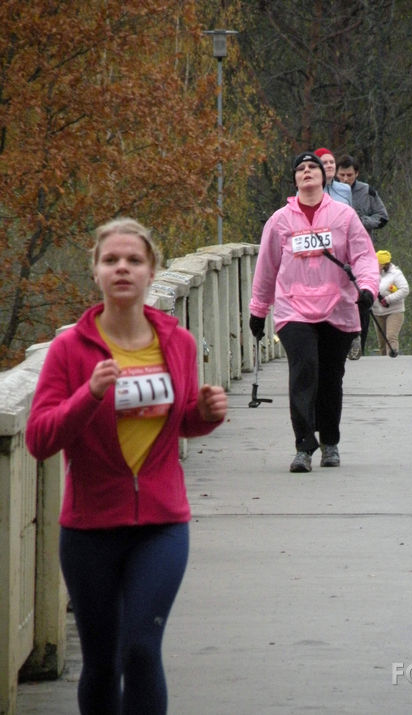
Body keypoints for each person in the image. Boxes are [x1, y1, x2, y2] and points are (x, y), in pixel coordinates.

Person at [25, 217, 227, 714]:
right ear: (95, 270)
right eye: (110, 260)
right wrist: (89, 394)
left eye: (133, 260)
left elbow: (177, 424)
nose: (122, 268)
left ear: (151, 271)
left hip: (160, 525)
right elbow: (39, 439)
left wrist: (203, 415)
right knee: (101, 663)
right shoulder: (71, 350)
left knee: (140, 650)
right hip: (91, 528)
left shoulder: (175, 343)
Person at [249, 152, 379, 473]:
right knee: (303, 372)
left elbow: (363, 256)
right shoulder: (279, 221)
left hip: (337, 307)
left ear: (324, 177)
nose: (306, 172)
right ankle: (304, 446)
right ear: (295, 180)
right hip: (294, 308)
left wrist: (367, 289)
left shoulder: (344, 216)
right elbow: (267, 267)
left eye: (312, 168)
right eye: (300, 169)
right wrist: (258, 309)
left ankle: (331, 442)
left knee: (331, 379)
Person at [336, 154, 389, 360]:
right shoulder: (327, 190)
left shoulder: (367, 191)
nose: (345, 179)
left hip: (361, 252)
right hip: (337, 254)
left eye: (349, 175)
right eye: (342, 175)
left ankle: (360, 346)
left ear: (356, 174)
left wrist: (362, 221)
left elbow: (383, 217)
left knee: (363, 297)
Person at [371, 250, 410, 356]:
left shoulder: (395, 273)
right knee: (382, 343)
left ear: (384, 265)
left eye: (377, 264)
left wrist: (388, 299)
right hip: (377, 312)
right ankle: (384, 366)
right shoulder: (371, 273)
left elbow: (405, 290)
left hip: (394, 311)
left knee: (390, 337)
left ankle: (393, 360)